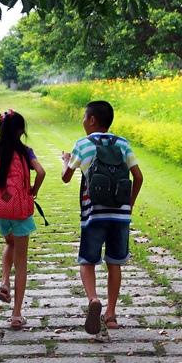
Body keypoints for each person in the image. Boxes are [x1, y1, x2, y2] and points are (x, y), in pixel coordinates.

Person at [60, 100, 143, 334]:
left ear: (92, 120)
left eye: (84, 117)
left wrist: (66, 160)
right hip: (120, 216)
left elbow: (66, 177)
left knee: (87, 260)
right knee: (115, 263)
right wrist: (129, 205)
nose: (83, 121)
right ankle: (111, 314)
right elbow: (138, 177)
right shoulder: (123, 143)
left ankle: (94, 299)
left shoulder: (83, 145)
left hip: (94, 214)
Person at [0, 110, 46, 328]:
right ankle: (16, 314)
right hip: (20, 209)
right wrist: (32, 190)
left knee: (9, 242)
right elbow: (41, 172)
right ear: (21, 130)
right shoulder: (25, 152)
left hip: (0, 209)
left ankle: (4, 281)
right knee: (21, 262)